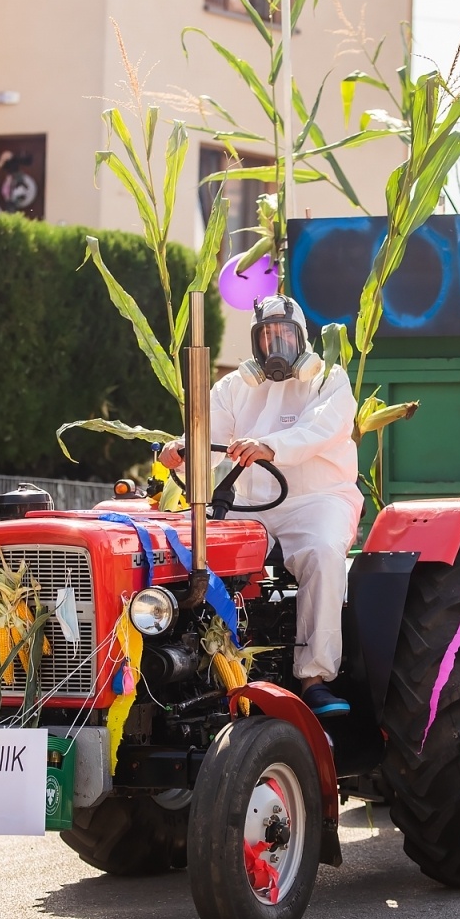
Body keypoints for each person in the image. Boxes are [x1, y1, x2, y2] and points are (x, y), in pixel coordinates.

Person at [160, 295, 362, 719]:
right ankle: (214, 668)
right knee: (191, 555)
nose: (276, 345)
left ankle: (314, 679)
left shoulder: (329, 380)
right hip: (249, 507)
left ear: (301, 337)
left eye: (285, 335)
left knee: (323, 554)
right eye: (267, 335)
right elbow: (205, 433)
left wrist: (271, 446)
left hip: (318, 501)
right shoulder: (234, 387)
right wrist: (183, 450)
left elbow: (321, 429)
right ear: (255, 342)